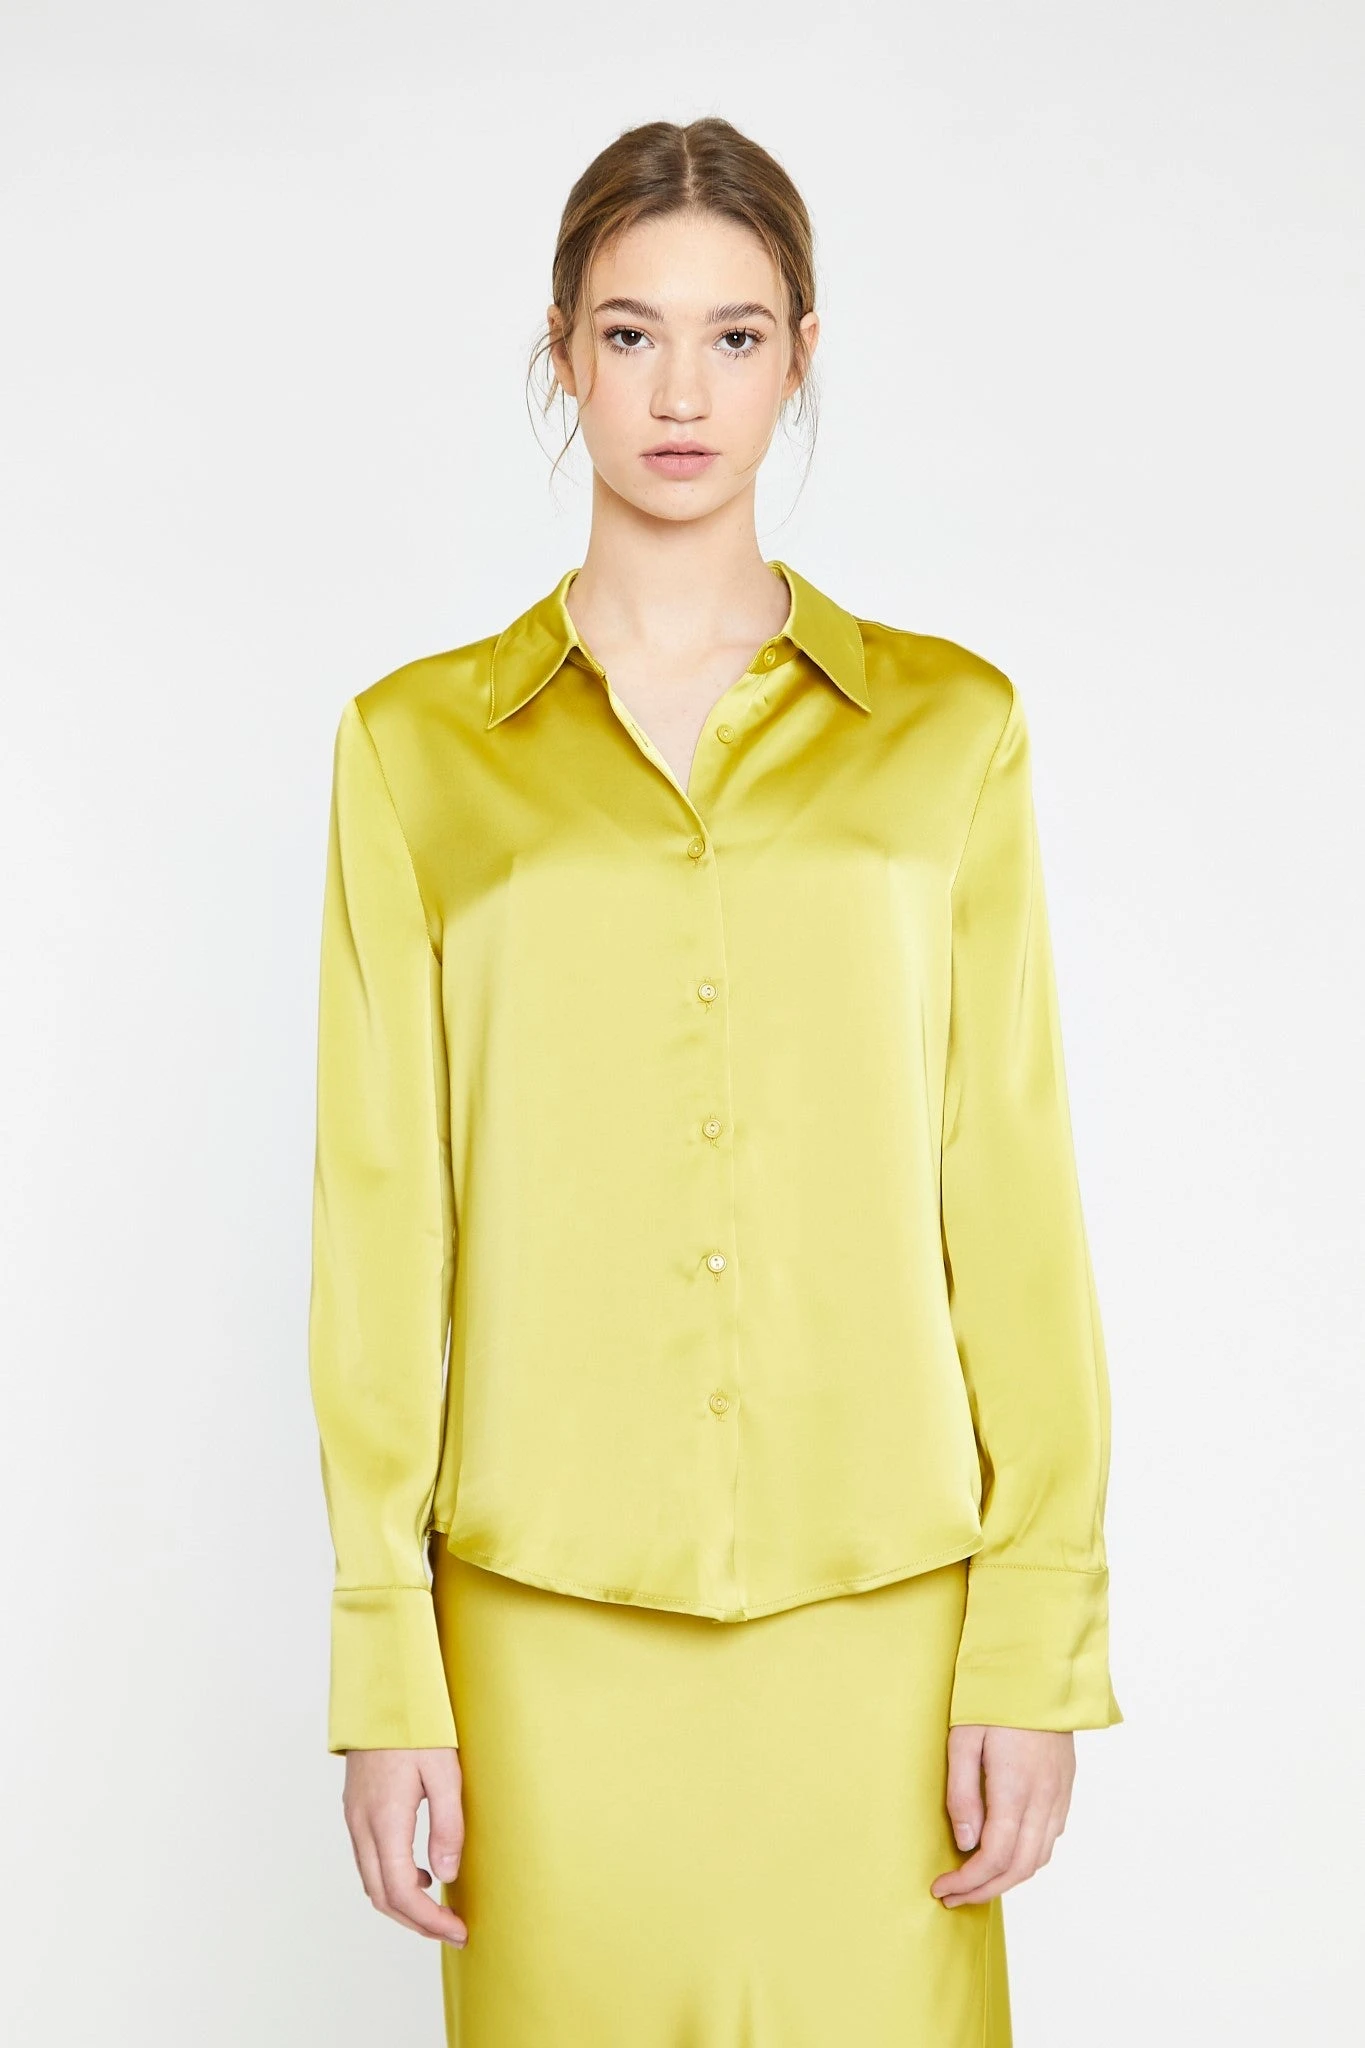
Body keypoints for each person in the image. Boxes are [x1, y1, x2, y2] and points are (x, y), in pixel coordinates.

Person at [307, 114, 1122, 2048]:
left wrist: (1037, 1631)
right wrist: (385, 1666)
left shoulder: (952, 733)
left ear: (802, 355)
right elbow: (381, 1226)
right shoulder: (414, 751)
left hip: (888, 1621)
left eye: (735, 336)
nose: (683, 392)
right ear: (563, 354)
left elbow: (1008, 1194)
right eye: (632, 334)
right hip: (539, 1634)